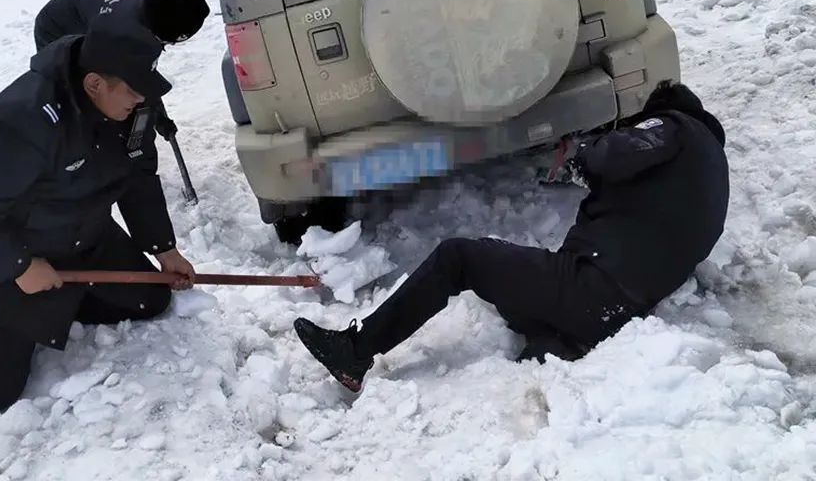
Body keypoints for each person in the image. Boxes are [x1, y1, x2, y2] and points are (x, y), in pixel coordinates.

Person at [294, 80, 729, 392]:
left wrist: (587, 152)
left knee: (458, 258)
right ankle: (552, 343)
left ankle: (356, 349)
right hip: (616, 313)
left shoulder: (673, 126)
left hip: (590, 287)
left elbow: (615, 155)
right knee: (519, 288)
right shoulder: (709, 170)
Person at [0, 15, 196, 413]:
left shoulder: (135, 106)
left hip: (84, 237)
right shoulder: (24, 120)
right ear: (94, 84)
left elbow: (139, 177)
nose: (141, 100)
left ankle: (58, 306)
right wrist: (19, 266)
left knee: (151, 299)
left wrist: (163, 249)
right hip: (7, 258)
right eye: (133, 92)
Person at [33, 0, 210, 146]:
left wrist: (158, 117)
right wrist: (153, 115)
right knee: (87, 96)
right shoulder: (118, 30)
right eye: (166, 41)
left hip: (90, 17)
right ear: (152, 30)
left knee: (122, 98)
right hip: (56, 29)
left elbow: (145, 76)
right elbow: (135, 77)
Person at [33, 0, 210, 52]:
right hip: (54, 27)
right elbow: (131, 76)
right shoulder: (117, 25)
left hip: (89, 12)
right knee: (78, 88)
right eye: (165, 40)